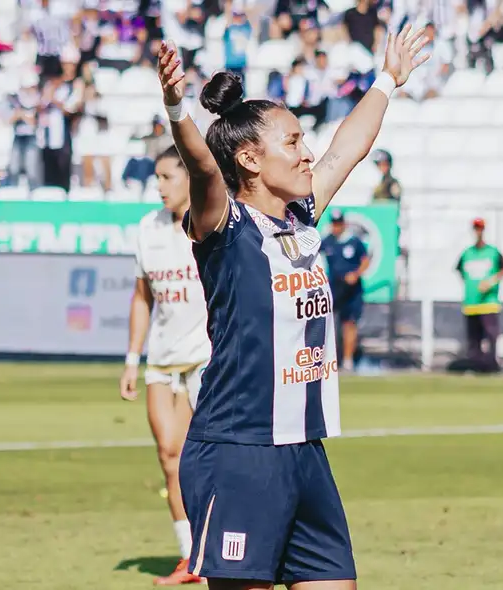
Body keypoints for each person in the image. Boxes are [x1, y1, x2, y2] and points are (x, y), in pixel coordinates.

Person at [156, 22, 428, 589]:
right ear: (251, 160)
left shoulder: (301, 219)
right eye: (293, 142)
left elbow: (347, 150)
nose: (308, 155)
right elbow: (205, 168)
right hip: (239, 451)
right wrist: (178, 108)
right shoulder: (225, 226)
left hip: (305, 450)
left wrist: (387, 79)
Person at [119, 147, 211, 586]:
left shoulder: (210, 223)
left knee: (202, 459)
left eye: (167, 178)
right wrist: (130, 360)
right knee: (169, 457)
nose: (159, 186)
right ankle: (190, 557)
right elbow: (142, 298)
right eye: (156, 178)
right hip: (161, 359)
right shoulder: (146, 230)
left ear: (190, 179)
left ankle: (221, 546)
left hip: (205, 360)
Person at [455, 217, 503, 371]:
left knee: (491, 336)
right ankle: (475, 365)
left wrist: (491, 281)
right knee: (473, 339)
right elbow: (459, 270)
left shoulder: (492, 252)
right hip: (471, 303)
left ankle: (491, 365)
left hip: (488, 303)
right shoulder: (467, 253)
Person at [321, 209, 370, 372]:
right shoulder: (327, 241)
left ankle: (348, 360)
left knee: (349, 324)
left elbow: (365, 261)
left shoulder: (354, 242)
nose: (336, 227)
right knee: (328, 323)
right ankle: (329, 359)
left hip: (351, 290)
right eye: (334, 224)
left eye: (339, 224)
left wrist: (355, 274)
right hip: (334, 288)